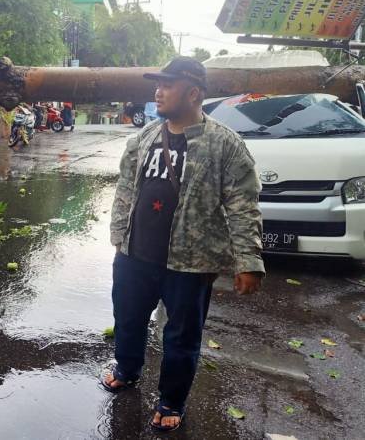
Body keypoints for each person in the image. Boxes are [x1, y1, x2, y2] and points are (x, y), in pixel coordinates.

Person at [103, 56, 265, 432]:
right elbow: (126, 189)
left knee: (181, 336)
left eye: (168, 85)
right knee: (127, 319)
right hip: (135, 256)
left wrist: (248, 261)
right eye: (157, 84)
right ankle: (126, 369)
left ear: (192, 93)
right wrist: (118, 239)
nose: (157, 92)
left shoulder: (225, 144)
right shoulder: (144, 137)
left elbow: (243, 206)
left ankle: (171, 401)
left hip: (190, 264)